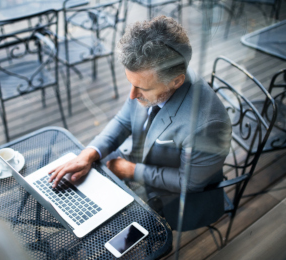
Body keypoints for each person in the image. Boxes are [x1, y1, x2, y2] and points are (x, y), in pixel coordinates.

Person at [49, 16, 232, 231]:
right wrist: (89, 153)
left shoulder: (207, 125)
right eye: (130, 84)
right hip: (138, 160)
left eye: (142, 89)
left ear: (177, 81)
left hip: (174, 200)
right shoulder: (150, 79)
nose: (132, 95)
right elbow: (124, 119)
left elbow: (189, 183)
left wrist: (131, 171)